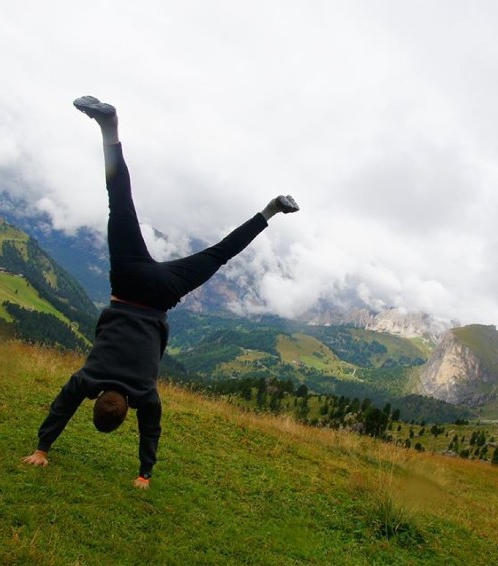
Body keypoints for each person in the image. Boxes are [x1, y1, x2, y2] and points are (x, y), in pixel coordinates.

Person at [22, 96, 299, 489]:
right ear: (98, 400)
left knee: (220, 254)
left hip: (163, 295)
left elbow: (151, 431)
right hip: (128, 280)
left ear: (125, 412)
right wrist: (42, 448)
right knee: (120, 205)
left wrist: (144, 474)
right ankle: (109, 129)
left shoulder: (145, 395)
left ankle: (272, 210)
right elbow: (62, 407)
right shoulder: (89, 378)